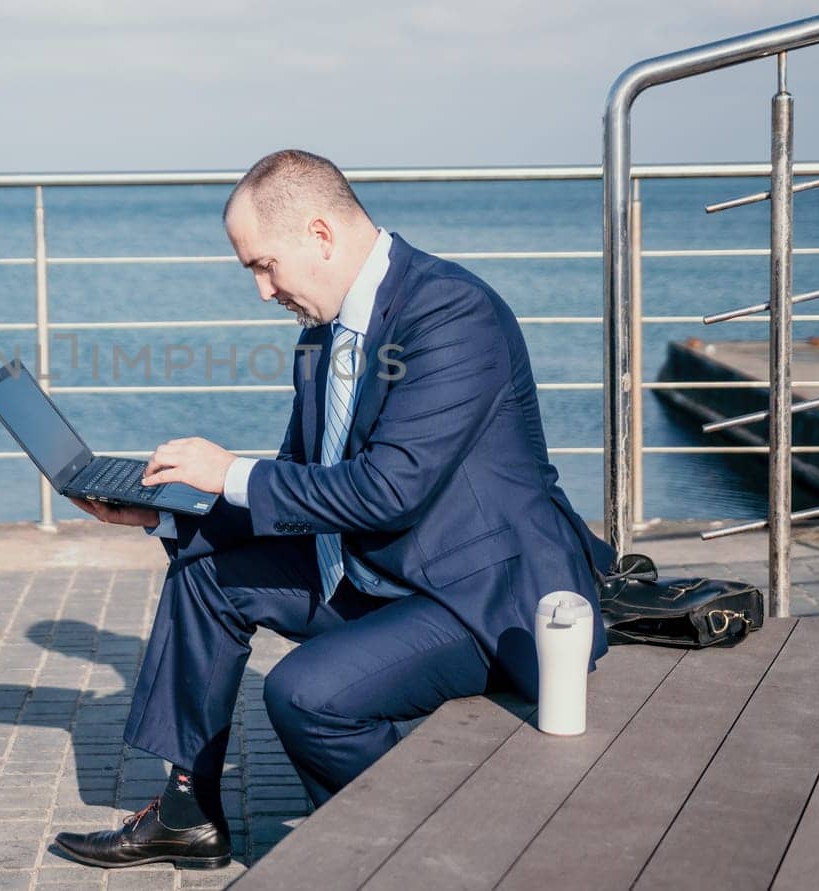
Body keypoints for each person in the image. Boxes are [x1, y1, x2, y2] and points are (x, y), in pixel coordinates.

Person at [55, 148, 615, 870]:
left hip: (478, 594)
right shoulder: (323, 334)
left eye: (263, 266)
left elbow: (388, 489)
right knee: (203, 573)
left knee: (307, 695)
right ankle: (188, 813)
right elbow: (302, 486)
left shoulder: (450, 311)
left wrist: (229, 471)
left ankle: (425, 842)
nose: (262, 291)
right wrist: (164, 513)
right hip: (380, 570)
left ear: (320, 236)